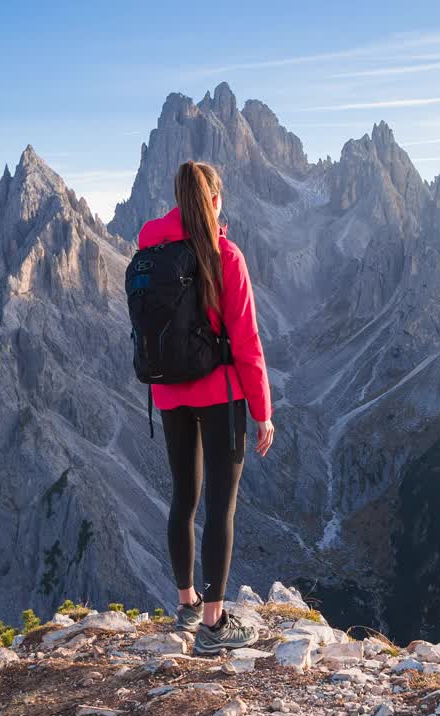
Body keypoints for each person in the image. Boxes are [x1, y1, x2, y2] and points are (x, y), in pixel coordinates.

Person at [136, 160, 275, 654]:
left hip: (169, 394)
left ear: (177, 199)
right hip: (221, 396)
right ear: (215, 199)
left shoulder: (151, 248)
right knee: (221, 506)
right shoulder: (225, 255)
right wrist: (263, 410)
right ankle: (215, 627)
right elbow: (246, 340)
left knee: (183, 499)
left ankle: (187, 603)